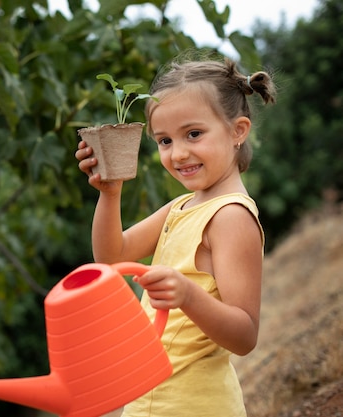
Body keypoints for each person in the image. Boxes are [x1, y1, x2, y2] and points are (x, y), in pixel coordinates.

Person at [75, 56, 276, 417]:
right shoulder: (180, 207)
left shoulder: (231, 216)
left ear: (237, 131)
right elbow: (111, 259)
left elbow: (245, 336)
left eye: (193, 134)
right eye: (164, 140)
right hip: (150, 400)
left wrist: (187, 295)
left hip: (194, 406)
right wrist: (110, 194)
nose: (178, 153)